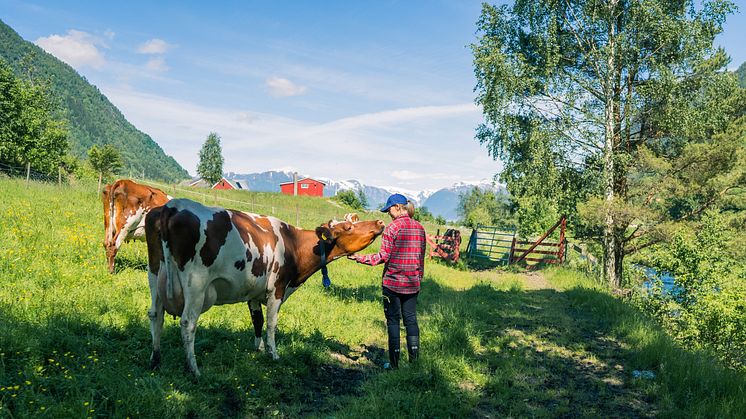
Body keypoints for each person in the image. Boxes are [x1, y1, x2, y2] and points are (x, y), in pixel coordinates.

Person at [348, 193, 426, 369]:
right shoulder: (420, 228)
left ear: (398, 207)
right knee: (411, 321)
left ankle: (394, 365)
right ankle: (414, 364)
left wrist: (359, 258)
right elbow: (421, 259)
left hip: (392, 284)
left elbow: (383, 256)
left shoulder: (392, 228)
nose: (388, 214)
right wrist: (417, 278)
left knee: (393, 322)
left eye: (389, 210)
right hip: (412, 284)